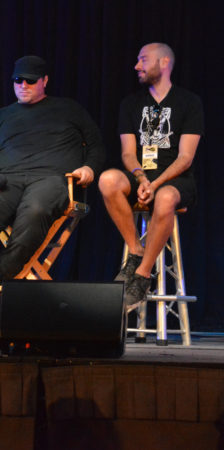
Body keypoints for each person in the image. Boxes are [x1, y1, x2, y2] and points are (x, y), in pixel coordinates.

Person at [0, 55, 105, 283]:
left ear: (44, 81)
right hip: (8, 180)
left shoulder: (69, 109)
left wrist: (89, 168)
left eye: (30, 80)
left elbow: (96, 145)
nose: (23, 85)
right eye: (18, 80)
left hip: (51, 179)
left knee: (35, 209)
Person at [99, 43, 204, 309]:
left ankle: (143, 275)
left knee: (166, 197)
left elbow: (186, 158)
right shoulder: (131, 104)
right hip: (141, 178)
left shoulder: (189, 102)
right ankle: (136, 250)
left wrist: (156, 183)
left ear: (164, 62)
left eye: (143, 60)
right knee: (108, 180)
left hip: (175, 181)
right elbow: (127, 153)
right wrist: (140, 177)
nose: (137, 66)